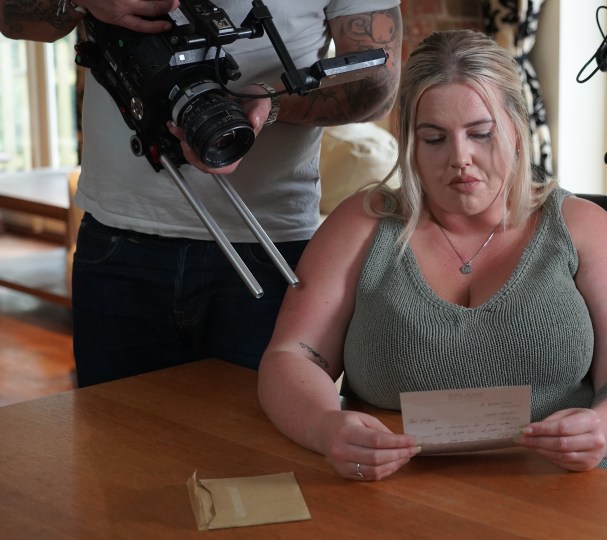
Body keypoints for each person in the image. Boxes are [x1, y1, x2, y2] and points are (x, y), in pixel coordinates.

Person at [258, 29, 607, 484]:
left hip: (586, 483)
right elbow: (291, 357)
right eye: (434, 139)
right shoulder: (361, 224)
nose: (460, 158)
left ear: (516, 129)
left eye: (480, 133)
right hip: (405, 492)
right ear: (410, 142)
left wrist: (605, 429)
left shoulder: (583, 226)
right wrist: (324, 426)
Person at [0, 0, 403, 387]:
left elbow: (377, 83)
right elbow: (11, 16)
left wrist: (265, 101)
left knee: (257, 448)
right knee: (113, 437)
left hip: (271, 246)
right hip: (118, 242)